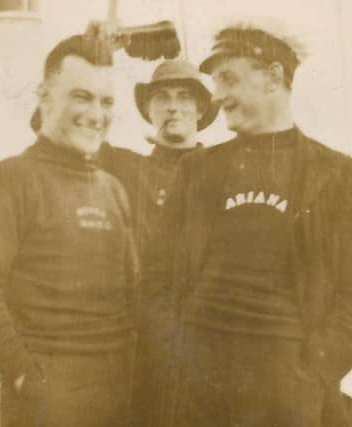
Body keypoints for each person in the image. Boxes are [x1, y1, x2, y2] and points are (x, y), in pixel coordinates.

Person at [157, 21, 352, 427]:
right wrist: (174, 360)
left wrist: (312, 374)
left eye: (229, 79)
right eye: (216, 82)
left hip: (286, 389)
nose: (218, 96)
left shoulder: (336, 174)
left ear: (273, 77)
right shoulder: (196, 170)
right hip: (196, 385)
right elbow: (156, 279)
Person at [0, 33, 137, 427]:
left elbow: (131, 295)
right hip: (47, 400)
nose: (95, 114)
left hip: (119, 393)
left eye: (106, 102)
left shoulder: (112, 189)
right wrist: (24, 374)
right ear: (44, 96)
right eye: (80, 97)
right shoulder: (9, 181)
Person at [97, 59, 218, 427]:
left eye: (184, 97)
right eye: (162, 97)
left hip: (211, 351)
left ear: (200, 108)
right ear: (148, 110)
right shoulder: (124, 167)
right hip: (143, 354)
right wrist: (93, 53)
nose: (173, 106)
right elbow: (51, 126)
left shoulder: (226, 170)